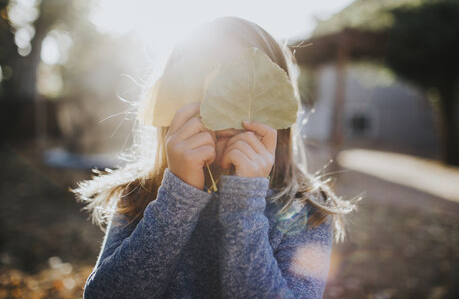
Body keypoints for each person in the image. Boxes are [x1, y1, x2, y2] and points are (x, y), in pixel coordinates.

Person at [72, 16, 357, 298]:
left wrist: (244, 202)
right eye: (202, 80)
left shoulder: (307, 210)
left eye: (241, 81)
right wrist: (178, 197)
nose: (221, 104)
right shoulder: (140, 194)